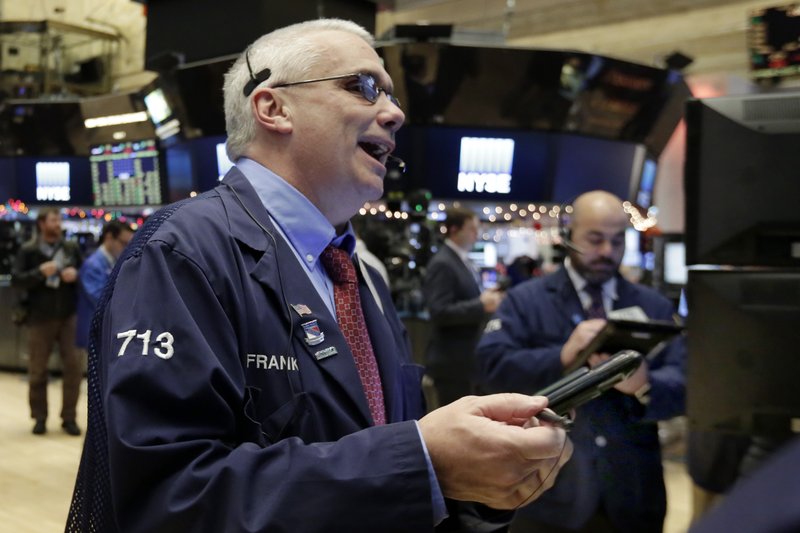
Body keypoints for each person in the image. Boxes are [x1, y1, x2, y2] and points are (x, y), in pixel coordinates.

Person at [66, 19, 572, 533]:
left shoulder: (360, 273)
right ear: (273, 107)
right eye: (364, 86)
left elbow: (384, 455)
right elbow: (167, 501)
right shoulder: (181, 252)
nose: (395, 114)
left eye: (392, 95)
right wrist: (421, 462)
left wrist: (475, 490)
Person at [476, 190, 686, 532]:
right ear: (569, 235)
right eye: (595, 239)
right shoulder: (524, 300)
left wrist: (646, 383)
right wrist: (560, 356)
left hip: (632, 493)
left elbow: (686, 387)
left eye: (617, 241)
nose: (607, 251)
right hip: (548, 491)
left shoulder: (654, 306)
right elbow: (488, 370)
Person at [11, 207, 83, 436]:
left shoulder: (70, 248)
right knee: (37, 370)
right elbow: (17, 280)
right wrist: (39, 273)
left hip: (69, 315)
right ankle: (39, 417)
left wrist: (76, 275)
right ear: (42, 223)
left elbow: (85, 272)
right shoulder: (28, 250)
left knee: (74, 367)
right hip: (39, 317)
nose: (58, 223)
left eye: (59, 219)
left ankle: (69, 417)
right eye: (53, 220)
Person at [423, 206, 505, 407]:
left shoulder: (461, 259)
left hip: (466, 359)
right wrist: (480, 305)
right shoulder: (443, 262)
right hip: (451, 361)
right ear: (454, 230)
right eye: (472, 229)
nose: (476, 235)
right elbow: (439, 311)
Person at [75, 219, 134, 352]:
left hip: (108, 330)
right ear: (109, 237)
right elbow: (102, 301)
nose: (126, 249)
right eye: (124, 243)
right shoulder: (93, 265)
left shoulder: (113, 261)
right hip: (97, 331)